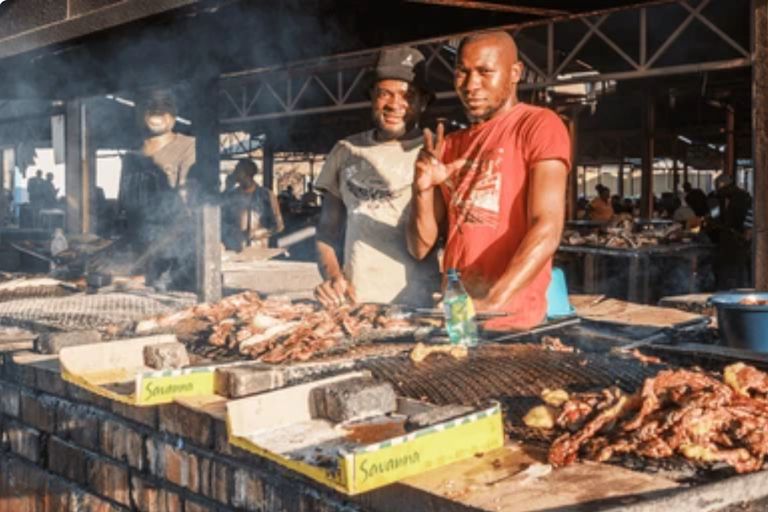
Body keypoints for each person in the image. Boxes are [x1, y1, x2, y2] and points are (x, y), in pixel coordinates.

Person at [408, 32, 571, 330]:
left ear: (515, 73)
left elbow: (548, 227)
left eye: (485, 72)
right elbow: (419, 248)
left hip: (513, 320)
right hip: (459, 313)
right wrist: (421, 190)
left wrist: (493, 302)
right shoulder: (449, 145)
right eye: (463, 72)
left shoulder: (538, 125)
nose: (471, 85)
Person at [314, 46, 441, 308]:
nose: (395, 104)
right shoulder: (345, 151)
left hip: (420, 307)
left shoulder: (438, 153)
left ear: (424, 102)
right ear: (372, 97)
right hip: (355, 305)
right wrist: (333, 276)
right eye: (385, 94)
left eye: (409, 95)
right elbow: (326, 232)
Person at [117, 89, 196, 291]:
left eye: (165, 108)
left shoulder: (188, 146)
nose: (157, 113)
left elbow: (187, 213)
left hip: (175, 261)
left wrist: (153, 250)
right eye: (150, 108)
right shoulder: (130, 157)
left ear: (175, 116)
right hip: (140, 260)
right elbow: (124, 215)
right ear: (139, 115)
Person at [221, 160, 284, 251]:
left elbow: (278, 225)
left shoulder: (266, 195)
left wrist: (257, 234)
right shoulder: (231, 195)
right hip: (234, 248)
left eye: (238, 170)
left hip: (258, 249)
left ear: (247, 173)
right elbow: (222, 221)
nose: (235, 173)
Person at [707, 174, 752, 289]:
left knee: (737, 272)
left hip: (739, 240)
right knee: (726, 271)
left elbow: (746, 223)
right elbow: (714, 217)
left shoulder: (744, 198)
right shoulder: (716, 199)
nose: (721, 191)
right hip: (725, 240)